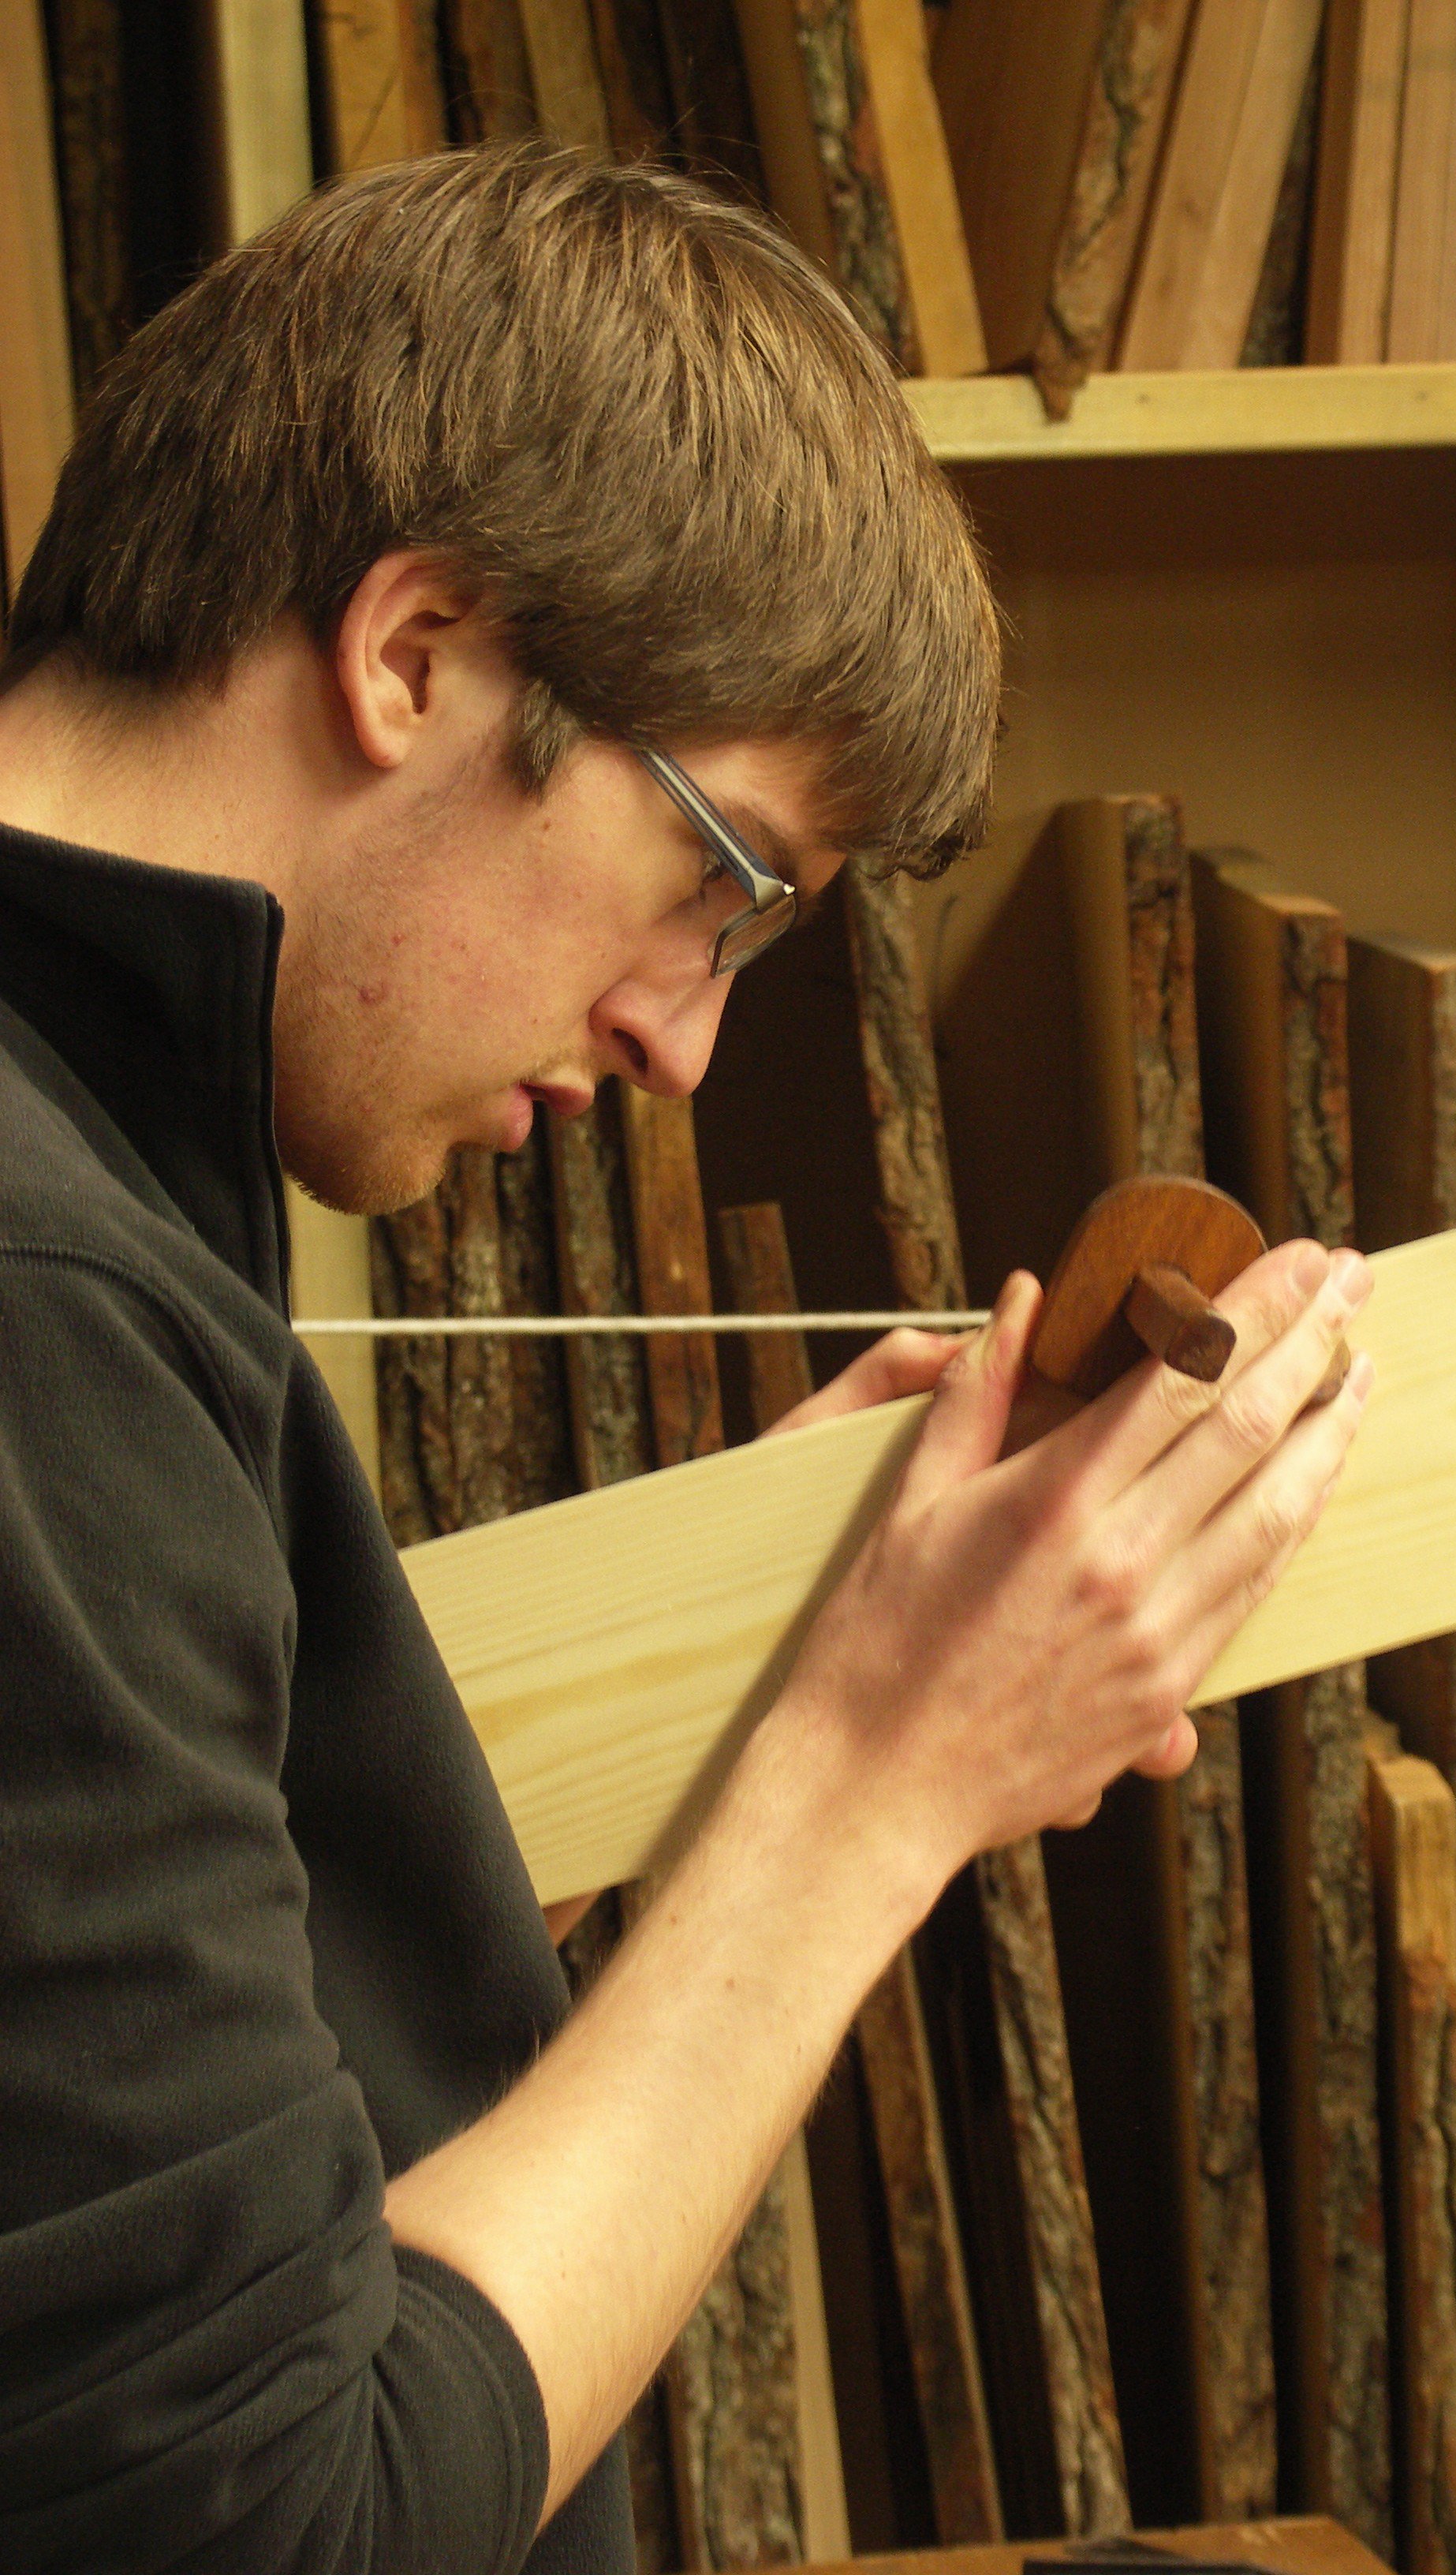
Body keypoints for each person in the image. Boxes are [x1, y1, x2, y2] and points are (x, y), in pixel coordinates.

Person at [0, 144, 1372, 2573]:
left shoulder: (94, 1158)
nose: (683, 1046)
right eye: (722, 884)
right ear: (416, 654)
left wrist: (752, 1654)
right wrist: (877, 1782)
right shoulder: (44, 1297)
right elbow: (273, 2528)